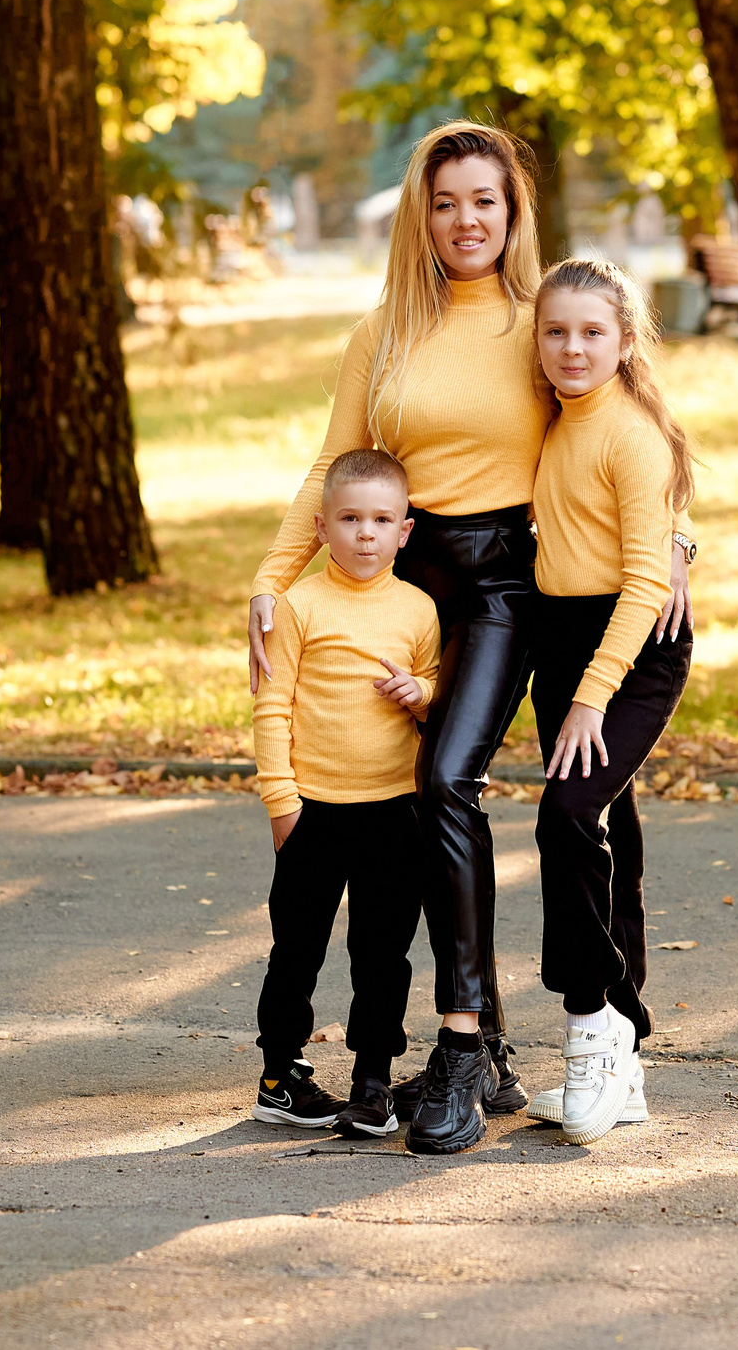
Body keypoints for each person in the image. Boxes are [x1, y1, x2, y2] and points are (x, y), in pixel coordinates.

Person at [245, 120, 695, 1156]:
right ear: (421, 212)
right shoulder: (385, 329)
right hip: (399, 580)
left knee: (450, 779)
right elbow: (332, 467)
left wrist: (677, 534)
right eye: (445, 201)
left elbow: (628, 425)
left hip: (502, 581)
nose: (465, 220)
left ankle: (459, 1044)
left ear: (513, 210)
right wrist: (272, 580)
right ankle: (484, 1037)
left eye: (484, 200)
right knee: (400, 797)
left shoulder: (547, 322)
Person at [520, 257, 698, 1144]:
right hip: (563, 639)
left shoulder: (630, 433)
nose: (572, 346)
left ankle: (593, 1023)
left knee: (565, 814)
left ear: (627, 342)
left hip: (632, 650)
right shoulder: (553, 420)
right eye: (555, 330)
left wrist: (592, 698)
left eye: (592, 331)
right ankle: (625, 1054)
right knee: (606, 830)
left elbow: (641, 583)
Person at [248, 448, 440, 1137]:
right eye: (350, 518)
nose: (365, 533)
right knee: (296, 947)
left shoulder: (419, 610)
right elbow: (272, 706)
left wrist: (421, 693)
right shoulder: (299, 606)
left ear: (405, 531)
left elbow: (436, 688)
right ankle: (279, 1074)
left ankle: (371, 1079)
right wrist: (282, 801)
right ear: (322, 528)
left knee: (383, 951)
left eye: (381, 519)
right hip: (314, 812)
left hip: (394, 810)